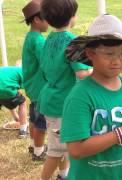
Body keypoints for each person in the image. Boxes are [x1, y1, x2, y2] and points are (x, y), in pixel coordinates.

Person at [60, 14, 122, 180]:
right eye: (109, 54)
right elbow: (76, 149)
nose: (117, 61)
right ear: (91, 53)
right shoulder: (80, 96)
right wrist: (121, 134)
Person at [38, 0, 92, 179]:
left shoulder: (48, 39)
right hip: (62, 104)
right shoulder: (72, 41)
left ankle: (63, 175)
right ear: (72, 17)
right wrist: (93, 69)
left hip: (49, 98)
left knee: (61, 145)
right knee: (55, 150)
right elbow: (83, 73)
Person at [21, 0, 48, 161]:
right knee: (41, 124)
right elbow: (47, 63)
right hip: (41, 88)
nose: (50, 21)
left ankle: (33, 145)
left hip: (32, 86)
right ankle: (39, 152)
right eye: (47, 17)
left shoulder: (31, 36)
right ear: (37, 20)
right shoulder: (38, 40)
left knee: (34, 118)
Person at [0, 64, 28, 138]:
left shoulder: (9, 69)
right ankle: (23, 130)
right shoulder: (23, 71)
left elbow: (10, 100)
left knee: (9, 98)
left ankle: (16, 117)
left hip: (4, 88)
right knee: (22, 102)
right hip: (6, 89)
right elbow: (27, 88)